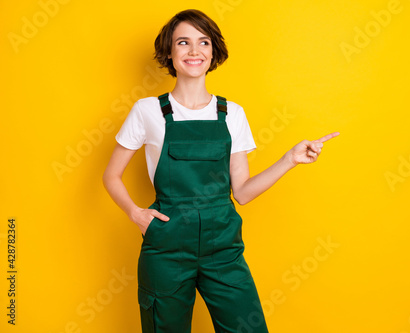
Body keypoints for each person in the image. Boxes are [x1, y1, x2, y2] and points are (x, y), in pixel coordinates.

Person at [102, 8, 339, 333]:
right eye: (183, 42)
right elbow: (111, 175)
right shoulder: (149, 111)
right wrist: (135, 213)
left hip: (222, 245)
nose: (194, 50)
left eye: (203, 42)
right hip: (167, 245)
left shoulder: (232, 113)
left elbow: (241, 192)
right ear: (169, 53)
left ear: (213, 52)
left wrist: (289, 159)